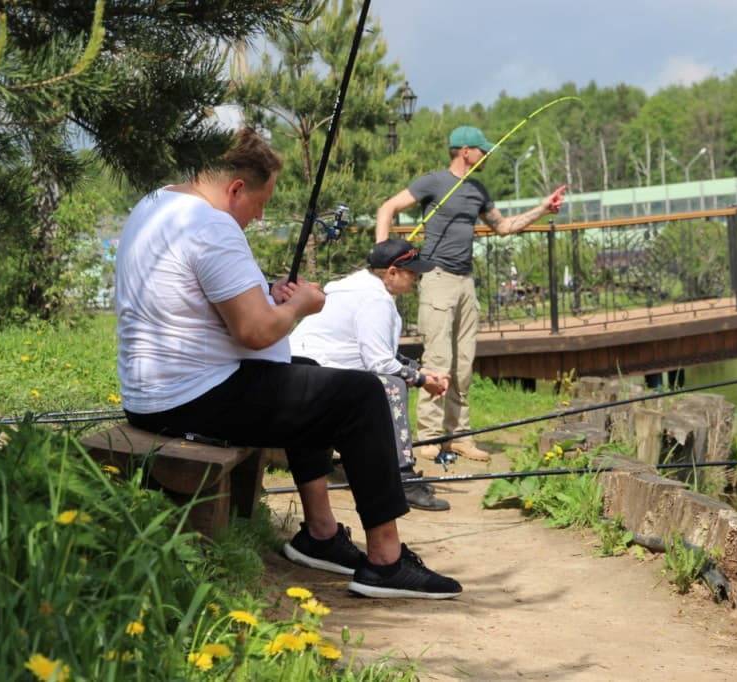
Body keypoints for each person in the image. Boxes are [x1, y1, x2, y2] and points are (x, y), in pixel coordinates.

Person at [114, 127, 461, 599]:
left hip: (153, 393)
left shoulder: (158, 204)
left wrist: (267, 293)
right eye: (260, 203)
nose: (258, 217)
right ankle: (386, 560)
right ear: (236, 188)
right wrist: (300, 306)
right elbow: (254, 332)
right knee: (361, 395)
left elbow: (200, 301)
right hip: (191, 399)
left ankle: (320, 534)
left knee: (309, 370)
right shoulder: (211, 227)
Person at [376, 125, 566, 462]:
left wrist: (543, 209)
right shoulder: (433, 183)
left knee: (463, 365)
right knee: (437, 360)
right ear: (465, 151)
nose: (486, 155)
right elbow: (386, 209)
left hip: (466, 283)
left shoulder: (478, 190)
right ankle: (429, 438)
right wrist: (383, 256)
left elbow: (504, 227)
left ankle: (458, 435)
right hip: (436, 279)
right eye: (482, 150)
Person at [290, 239, 452, 512]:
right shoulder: (374, 299)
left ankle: (363, 460)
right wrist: (422, 381)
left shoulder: (361, 288)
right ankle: (402, 475)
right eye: (412, 273)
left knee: (389, 379)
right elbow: (380, 363)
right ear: (391, 272)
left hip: (307, 371)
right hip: (309, 376)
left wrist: (420, 370)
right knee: (392, 385)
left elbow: (376, 350)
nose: (417, 279)